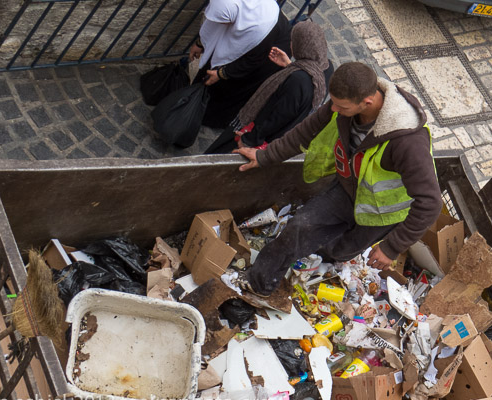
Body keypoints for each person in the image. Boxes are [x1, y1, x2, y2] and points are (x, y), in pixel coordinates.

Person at [234, 62, 442, 296]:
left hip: (382, 212)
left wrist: (391, 248)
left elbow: (431, 203)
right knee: (299, 226)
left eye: (341, 106)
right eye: (332, 102)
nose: (332, 109)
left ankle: (322, 260)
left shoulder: (407, 143)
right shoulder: (344, 104)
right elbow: (306, 131)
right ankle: (258, 284)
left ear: (367, 102)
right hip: (348, 190)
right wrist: (264, 156)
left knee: (342, 251)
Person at [204, 19, 334, 154]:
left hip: (257, 134)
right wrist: (290, 66)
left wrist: (250, 139)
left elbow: (278, 117)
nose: (290, 45)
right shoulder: (327, 67)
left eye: (293, 42)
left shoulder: (298, 80)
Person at [189, 0, 292, 129]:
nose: (222, 24)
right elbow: (216, 22)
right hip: (250, 31)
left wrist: (221, 74)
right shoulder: (231, 6)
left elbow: (251, 61)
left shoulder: (259, 28)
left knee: (234, 84)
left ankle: (210, 117)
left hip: (269, 53)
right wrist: (200, 43)